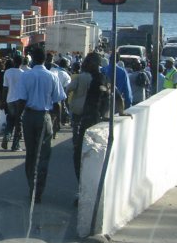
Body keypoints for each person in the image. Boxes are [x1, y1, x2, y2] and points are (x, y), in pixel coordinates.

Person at [9, 46, 66, 203]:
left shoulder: (26, 76)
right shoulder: (52, 76)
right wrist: (58, 122)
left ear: (33, 59)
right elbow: (58, 102)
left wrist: (17, 121)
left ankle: (31, 186)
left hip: (29, 117)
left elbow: (21, 101)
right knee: (44, 155)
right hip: (45, 117)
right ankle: (39, 190)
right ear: (45, 60)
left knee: (31, 153)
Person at [70, 52, 109, 181]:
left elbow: (110, 95)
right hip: (90, 119)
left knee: (80, 155)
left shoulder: (98, 80)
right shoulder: (98, 78)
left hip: (91, 120)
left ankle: (82, 186)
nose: (84, 64)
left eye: (87, 62)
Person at [1, 53, 25, 151]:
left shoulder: (7, 72)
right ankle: (16, 145)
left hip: (9, 100)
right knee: (18, 123)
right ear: (21, 63)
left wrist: (3, 101)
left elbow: (5, 88)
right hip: (20, 100)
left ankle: (6, 137)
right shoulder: (23, 73)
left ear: (14, 62)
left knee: (10, 120)